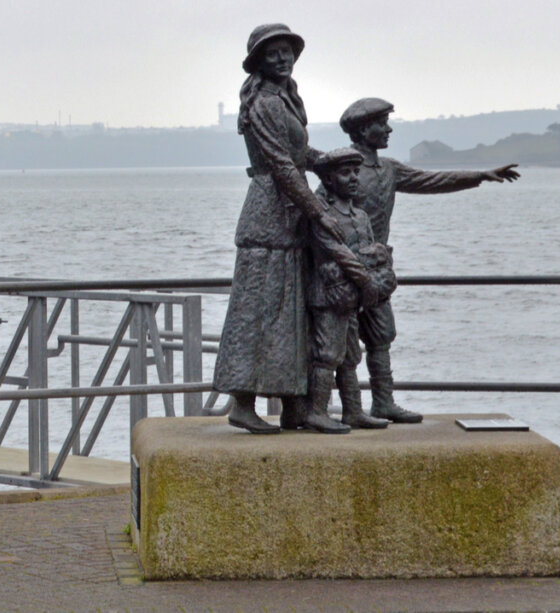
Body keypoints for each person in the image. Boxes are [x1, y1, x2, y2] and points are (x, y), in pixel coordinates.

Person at [213, 24, 375, 434]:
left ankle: (295, 405)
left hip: (289, 215)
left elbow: (300, 155)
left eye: (287, 51)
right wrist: (318, 211)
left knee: (290, 314)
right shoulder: (265, 103)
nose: (282, 58)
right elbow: (283, 166)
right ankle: (242, 402)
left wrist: (335, 163)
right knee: (259, 310)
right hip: (269, 215)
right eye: (273, 53)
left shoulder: (285, 99)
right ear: (259, 62)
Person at [341, 97, 520, 422]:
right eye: (382, 123)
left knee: (381, 336)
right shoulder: (343, 168)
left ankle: (383, 403)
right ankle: (351, 409)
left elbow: (431, 180)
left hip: (377, 268)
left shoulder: (389, 169)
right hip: (342, 267)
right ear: (364, 130)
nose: (389, 129)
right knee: (344, 341)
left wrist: (479, 175)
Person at [306, 148, 395, 430]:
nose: (354, 178)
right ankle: (316, 411)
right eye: (346, 173)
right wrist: (366, 279)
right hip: (329, 296)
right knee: (328, 355)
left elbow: (369, 252)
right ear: (328, 180)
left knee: (350, 357)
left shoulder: (361, 215)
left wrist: (376, 271)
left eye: (356, 172)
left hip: (352, 298)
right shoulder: (323, 216)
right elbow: (336, 254)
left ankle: (353, 411)